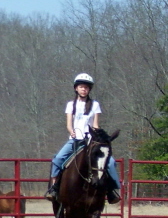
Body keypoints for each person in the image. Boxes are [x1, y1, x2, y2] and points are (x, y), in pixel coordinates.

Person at [44, 73, 121, 204]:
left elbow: (95, 125)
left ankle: (112, 190)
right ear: (76, 88)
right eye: (81, 87)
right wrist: (71, 132)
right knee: (57, 159)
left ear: (89, 89)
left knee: (110, 162)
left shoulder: (95, 105)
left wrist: (99, 136)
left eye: (86, 87)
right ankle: (54, 188)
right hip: (75, 140)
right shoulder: (70, 105)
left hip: (91, 141)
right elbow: (69, 123)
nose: (83, 89)